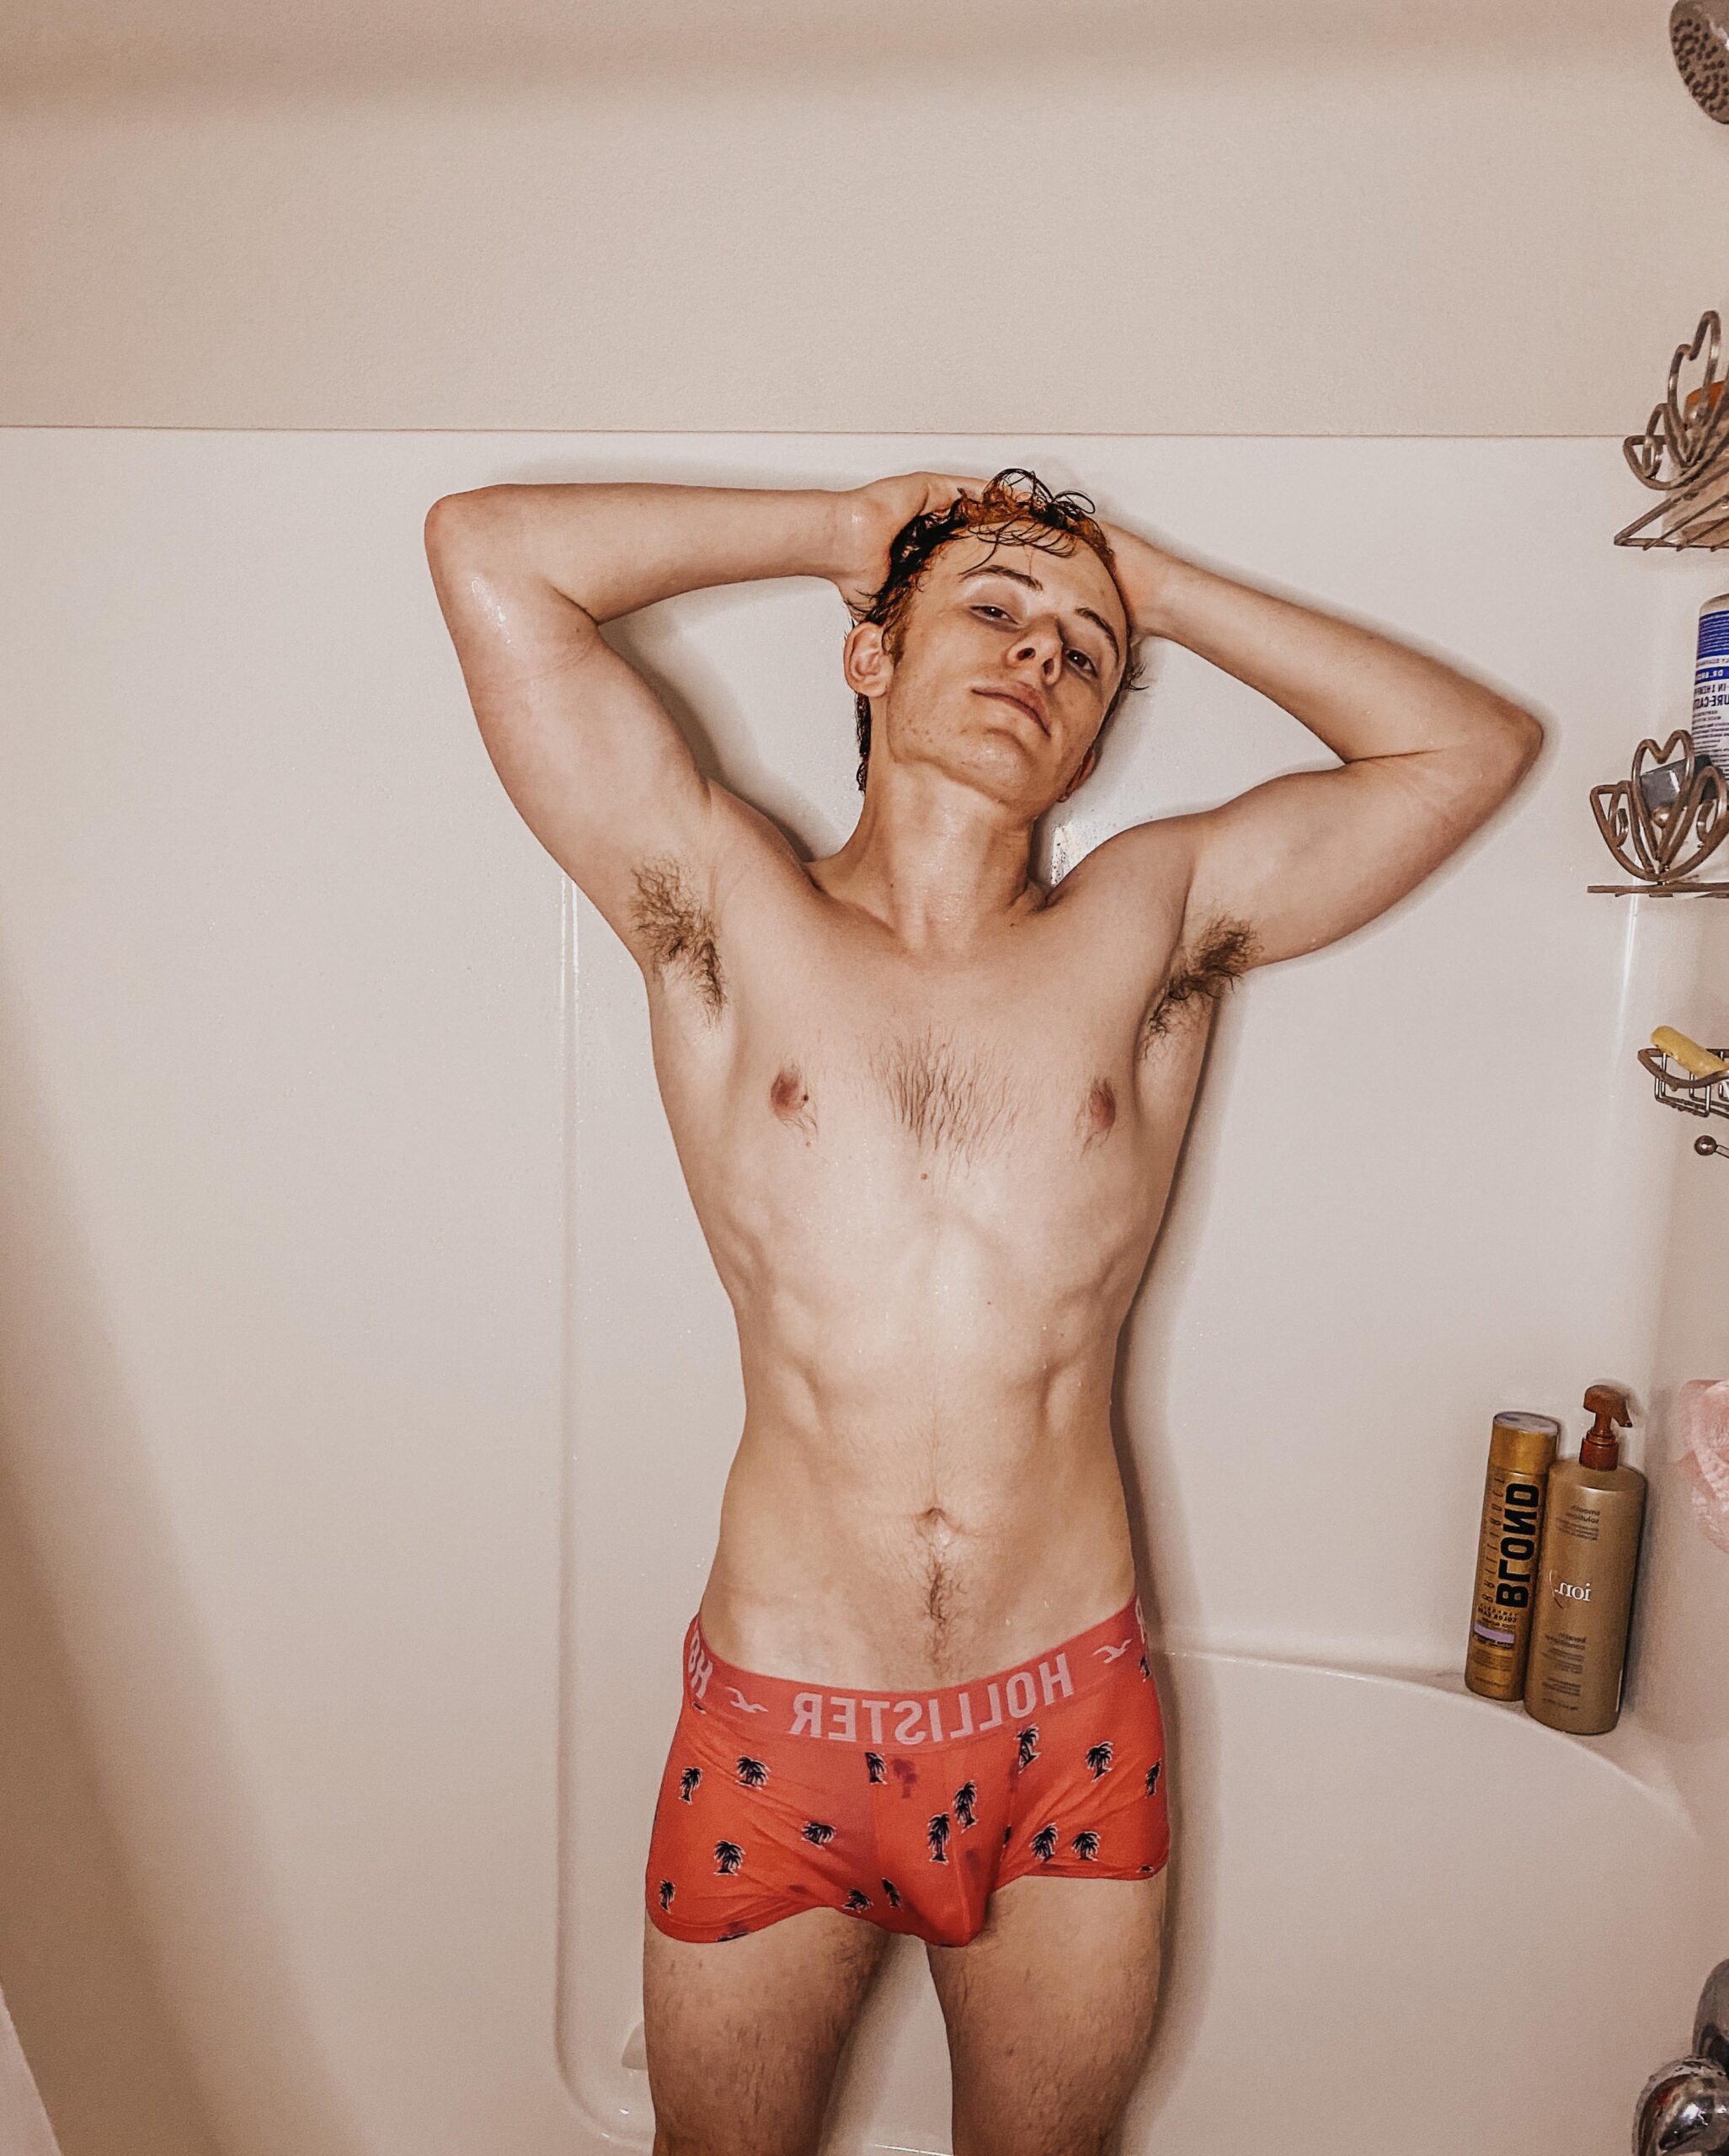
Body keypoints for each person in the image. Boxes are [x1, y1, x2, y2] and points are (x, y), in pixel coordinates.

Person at [423, 467, 1540, 2156]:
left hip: (1065, 1722)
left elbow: (1463, 747)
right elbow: (488, 553)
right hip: (782, 1720)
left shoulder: (1151, 917)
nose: (1041, 655)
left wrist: (1155, 585)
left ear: (1094, 738)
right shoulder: (724, 901)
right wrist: (832, 532)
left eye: (1086, 653)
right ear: (868, 655)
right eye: (997, 610)